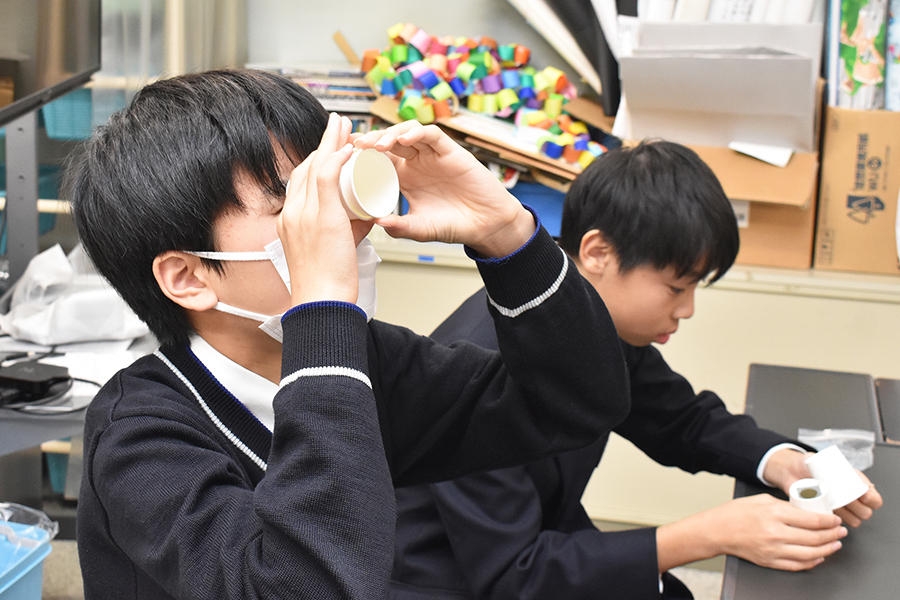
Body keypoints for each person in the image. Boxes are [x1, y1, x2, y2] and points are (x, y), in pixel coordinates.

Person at [66, 69, 632, 600]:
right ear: (189, 277)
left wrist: (508, 235)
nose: (344, 224)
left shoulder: (365, 362)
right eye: (299, 204)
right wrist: (323, 319)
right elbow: (309, 585)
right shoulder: (138, 439)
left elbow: (575, 401)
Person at [390, 140, 884, 600]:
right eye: (676, 288)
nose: (687, 310)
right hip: (447, 578)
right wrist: (708, 533)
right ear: (598, 253)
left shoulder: (582, 318)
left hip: (538, 540)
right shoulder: (478, 367)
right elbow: (513, 573)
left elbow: (680, 420)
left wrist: (780, 460)